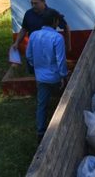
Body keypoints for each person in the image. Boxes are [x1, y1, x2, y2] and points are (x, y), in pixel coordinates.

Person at [26, 8, 68, 143]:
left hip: (41, 77)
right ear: (54, 21)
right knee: (62, 103)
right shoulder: (57, 38)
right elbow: (61, 60)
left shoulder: (33, 35)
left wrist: (36, 67)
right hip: (55, 77)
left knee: (42, 104)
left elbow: (28, 56)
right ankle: (62, 127)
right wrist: (63, 76)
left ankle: (41, 131)